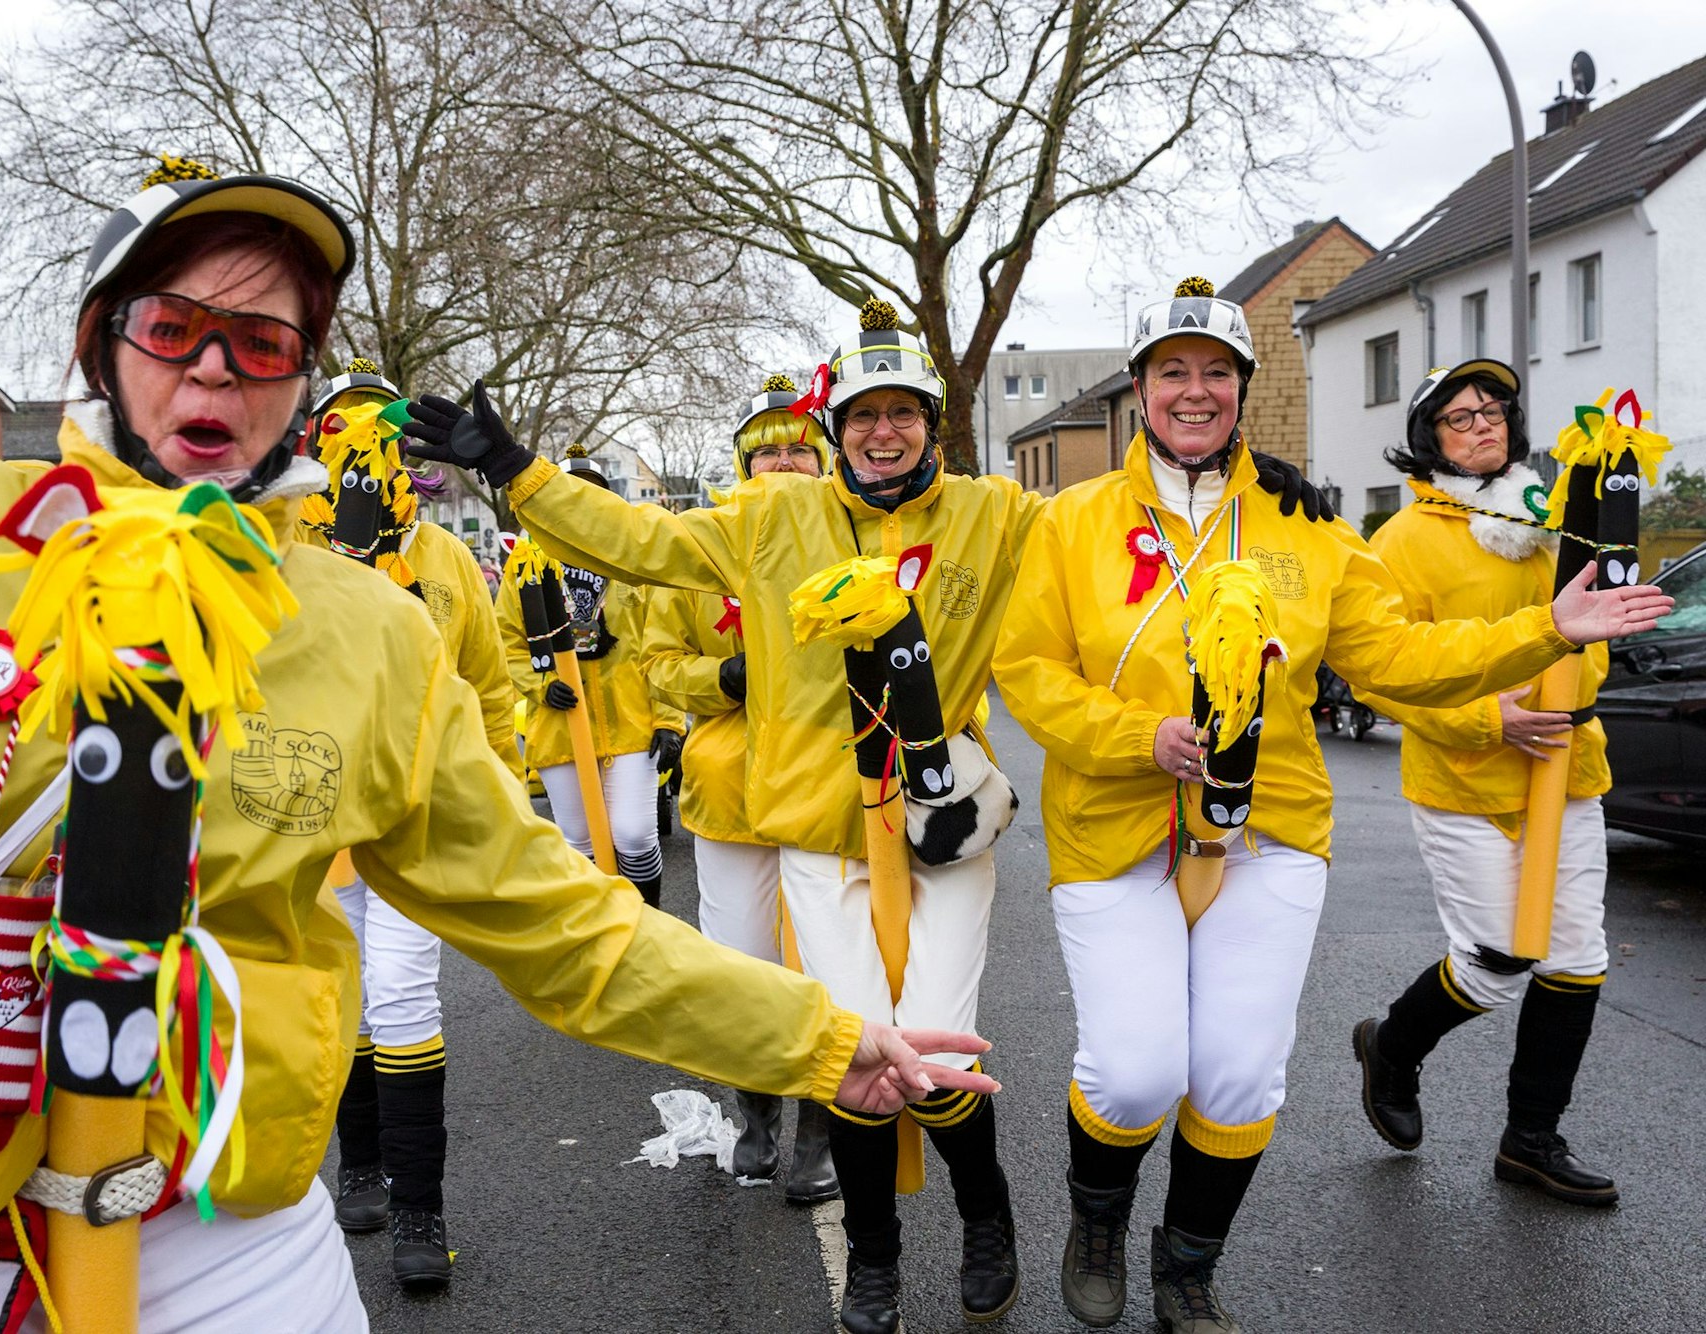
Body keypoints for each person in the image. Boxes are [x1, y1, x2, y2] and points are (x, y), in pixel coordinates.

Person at [0, 159, 997, 1333]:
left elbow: (558, 923)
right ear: (101, 341)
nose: (215, 369)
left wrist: (820, 1036)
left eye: (263, 341)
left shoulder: (369, 632)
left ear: (302, 381)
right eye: (174, 326)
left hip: (223, 1225)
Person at [402, 293, 1331, 1332]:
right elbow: (635, 538)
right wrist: (520, 474)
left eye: (901, 413)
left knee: (940, 1051)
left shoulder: (996, 512)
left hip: (945, 823)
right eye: (860, 416)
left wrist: (1252, 482)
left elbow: (1109, 526)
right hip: (817, 826)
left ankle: (988, 1218)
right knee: (851, 1050)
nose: (880, 433)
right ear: (832, 429)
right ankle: (878, 1259)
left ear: (931, 422)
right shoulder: (769, 516)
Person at [990, 281, 1670, 1333]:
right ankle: (1097, 1222)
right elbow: (1025, 665)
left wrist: (1546, 626)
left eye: (1215, 371)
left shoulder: (1303, 524)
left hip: (1271, 826)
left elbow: (1395, 654)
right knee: (1132, 1070)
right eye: (1170, 369)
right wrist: (1140, 737)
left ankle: (1187, 1266)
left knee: (1236, 1072)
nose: (1193, 389)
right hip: (1115, 822)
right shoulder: (1069, 521)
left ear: (1241, 391)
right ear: (1136, 390)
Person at [1350, 360, 1620, 1206]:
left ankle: (1530, 1140)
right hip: (1464, 778)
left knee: (1577, 957)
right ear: (1429, 436)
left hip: (1567, 770)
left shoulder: (1554, 523)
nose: (1482, 427)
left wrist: (1573, 694)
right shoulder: (1400, 542)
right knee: (1501, 960)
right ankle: (1392, 1047)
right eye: (1460, 417)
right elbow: (1376, 675)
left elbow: (1595, 628)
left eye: (1493, 412)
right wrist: (1483, 720)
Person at [300, 357, 523, 1286]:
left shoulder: (442, 560)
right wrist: (344, 557)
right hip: (311, 817)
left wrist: (506, 790)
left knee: (402, 992)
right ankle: (359, 1163)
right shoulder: (281, 542)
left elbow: (489, 682)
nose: (368, 447)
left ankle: (421, 1212)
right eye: (345, 432)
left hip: (415, 807)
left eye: (383, 431)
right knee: (343, 993)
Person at [640, 373, 840, 1202]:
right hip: (730, 794)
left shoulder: (851, 535)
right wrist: (724, 675)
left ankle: (824, 1136)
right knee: (745, 966)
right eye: (769, 452)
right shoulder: (697, 546)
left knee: (828, 964)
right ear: (744, 466)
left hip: (831, 793)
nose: (786, 462)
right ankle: (757, 1119)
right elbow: (656, 665)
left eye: (800, 447)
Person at [496, 443, 683, 907]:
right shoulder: (524, 565)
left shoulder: (632, 561)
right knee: (578, 845)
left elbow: (664, 641)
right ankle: (600, 939)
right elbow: (506, 639)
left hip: (631, 724)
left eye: (590, 493)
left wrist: (668, 720)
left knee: (634, 835)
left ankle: (648, 928)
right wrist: (541, 686)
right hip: (560, 726)